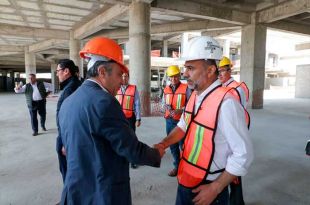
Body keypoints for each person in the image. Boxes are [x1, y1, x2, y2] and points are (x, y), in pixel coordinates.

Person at [58, 37, 164, 205]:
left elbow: (65, 147)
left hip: (77, 191)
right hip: (102, 193)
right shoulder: (104, 102)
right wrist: (156, 154)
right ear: (102, 72)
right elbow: (131, 149)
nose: (122, 80)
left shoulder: (68, 101)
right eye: (118, 74)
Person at [154, 36, 253, 205]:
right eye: (186, 68)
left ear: (210, 70)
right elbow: (182, 126)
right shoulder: (195, 95)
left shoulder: (227, 104)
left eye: (191, 68)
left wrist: (216, 188)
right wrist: (163, 144)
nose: (185, 74)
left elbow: (244, 154)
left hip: (208, 190)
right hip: (187, 179)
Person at [218, 56, 251, 205]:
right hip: (224, 132)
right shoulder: (222, 86)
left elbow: (240, 114)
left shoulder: (237, 88)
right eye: (219, 71)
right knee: (226, 167)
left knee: (234, 170)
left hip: (233, 133)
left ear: (230, 71)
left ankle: (237, 202)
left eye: (223, 71)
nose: (220, 74)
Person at [55, 59, 82, 183]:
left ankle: (70, 198)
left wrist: (66, 142)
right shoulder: (75, 85)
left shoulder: (70, 89)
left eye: (58, 71)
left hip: (68, 137)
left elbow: (69, 119)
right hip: (72, 136)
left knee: (68, 171)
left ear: (66, 71)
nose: (57, 74)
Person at [162, 65, 189, 177]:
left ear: (179, 75)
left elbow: (190, 104)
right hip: (169, 121)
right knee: (172, 145)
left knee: (183, 146)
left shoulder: (186, 88)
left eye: (176, 76)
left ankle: (185, 169)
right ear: (169, 78)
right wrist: (166, 107)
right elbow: (162, 104)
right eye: (171, 77)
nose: (173, 79)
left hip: (181, 122)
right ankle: (177, 167)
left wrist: (181, 110)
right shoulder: (166, 89)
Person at [116, 72, 141, 169]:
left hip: (130, 118)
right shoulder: (116, 87)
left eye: (126, 76)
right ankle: (121, 157)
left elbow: (137, 104)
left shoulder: (133, 88)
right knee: (120, 138)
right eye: (122, 76)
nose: (124, 78)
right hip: (118, 118)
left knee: (132, 138)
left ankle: (133, 159)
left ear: (128, 78)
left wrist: (138, 118)